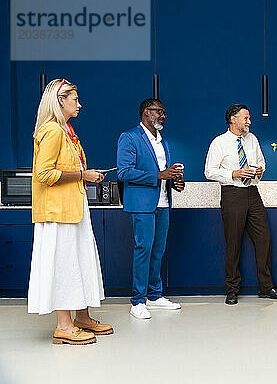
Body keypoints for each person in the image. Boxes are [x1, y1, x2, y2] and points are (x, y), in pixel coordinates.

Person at [28, 79, 113, 345]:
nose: (79, 104)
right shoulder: (52, 131)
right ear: (60, 101)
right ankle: (63, 326)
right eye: (75, 100)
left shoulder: (66, 130)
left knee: (80, 262)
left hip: (72, 209)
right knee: (65, 266)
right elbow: (44, 174)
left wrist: (83, 176)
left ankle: (82, 318)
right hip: (58, 214)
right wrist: (82, 174)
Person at [204, 104, 277, 305]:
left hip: (253, 192)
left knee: (264, 239)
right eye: (246, 118)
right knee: (233, 244)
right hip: (232, 194)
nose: (249, 121)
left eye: (249, 118)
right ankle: (232, 290)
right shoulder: (219, 142)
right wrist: (233, 173)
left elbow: (262, 162)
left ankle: (266, 287)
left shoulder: (252, 139)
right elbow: (209, 171)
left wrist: (259, 170)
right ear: (233, 119)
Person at [117, 98, 185, 319]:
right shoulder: (129, 138)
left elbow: (164, 172)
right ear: (147, 112)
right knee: (143, 250)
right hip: (142, 205)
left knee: (158, 251)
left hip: (163, 203)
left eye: (164, 112)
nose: (163, 115)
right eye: (159, 112)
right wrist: (158, 175)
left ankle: (154, 297)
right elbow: (124, 172)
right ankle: (137, 301)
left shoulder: (162, 142)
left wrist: (175, 180)